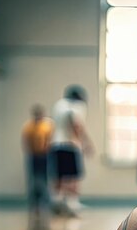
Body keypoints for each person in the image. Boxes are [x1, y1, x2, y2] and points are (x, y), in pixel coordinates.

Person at [50, 85, 94, 216]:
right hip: (70, 145)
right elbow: (76, 125)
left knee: (59, 176)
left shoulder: (59, 105)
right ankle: (72, 205)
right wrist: (86, 143)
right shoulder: (77, 106)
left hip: (56, 144)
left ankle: (56, 201)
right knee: (73, 177)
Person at [22, 105, 53, 214]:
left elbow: (50, 139)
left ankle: (45, 200)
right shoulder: (29, 126)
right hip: (33, 155)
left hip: (45, 156)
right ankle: (34, 201)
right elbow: (26, 141)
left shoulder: (47, 126)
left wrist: (47, 148)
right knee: (33, 179)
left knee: (45, 179)